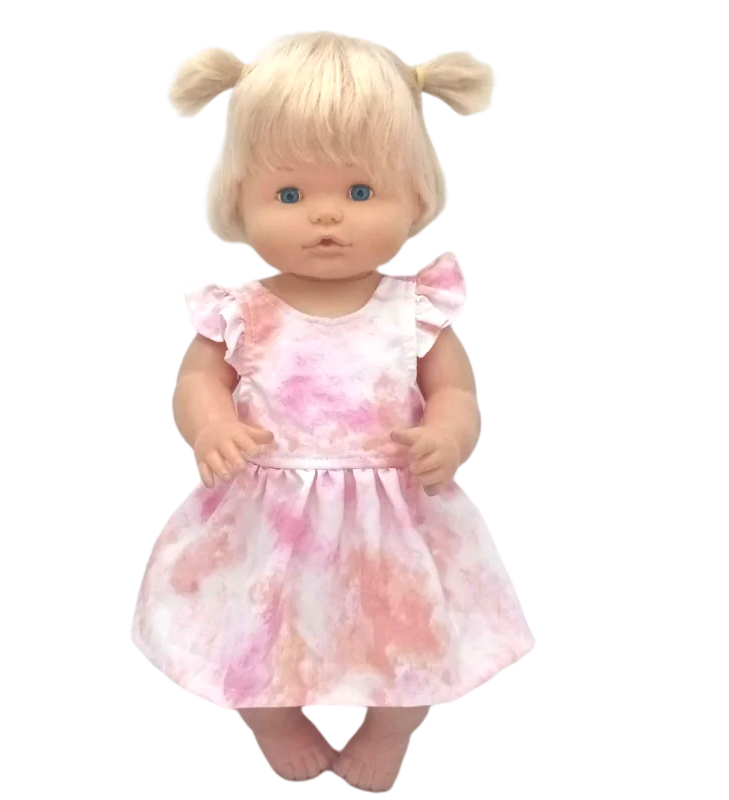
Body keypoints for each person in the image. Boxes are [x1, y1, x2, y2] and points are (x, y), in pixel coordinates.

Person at [131, 30, 532, 794]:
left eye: (359, 192)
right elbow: (198, 382)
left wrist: (448, 431)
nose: (326, 218)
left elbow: (455, 389)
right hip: (265, 508)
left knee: (412, 631)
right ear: (237, 199)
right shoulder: (240, 311)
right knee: (251, 625)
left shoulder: (416, 310)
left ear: (415, 196)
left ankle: (390, 729)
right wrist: (211, 426)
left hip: (394, 514)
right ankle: (273, 717)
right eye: (289, 195)